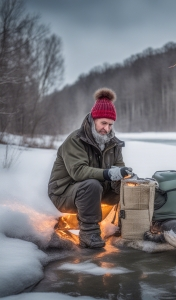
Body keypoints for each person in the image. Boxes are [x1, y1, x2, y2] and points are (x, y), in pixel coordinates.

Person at [48, 87, 133, 249]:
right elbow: (78, 172)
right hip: (63, 194)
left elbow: (119, 168)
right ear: (93, 120)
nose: (106, 129)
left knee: (129, 187)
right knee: (91, 184)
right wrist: (109, 174)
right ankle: (89, 233)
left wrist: (123, 177)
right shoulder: (75, 140)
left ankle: (128, 226)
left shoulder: (114, 143)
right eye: (103, 123)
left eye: (110, 124)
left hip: (96, 192)